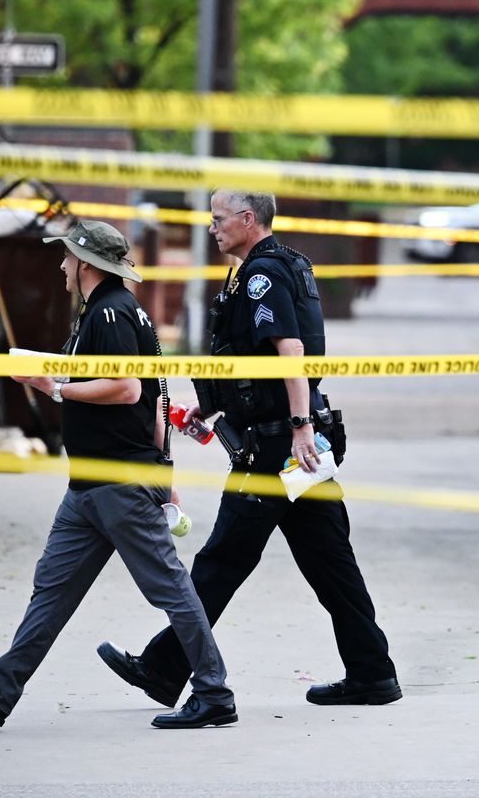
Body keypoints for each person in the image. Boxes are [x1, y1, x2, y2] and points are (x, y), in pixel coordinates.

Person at [96, 190, 401, 708]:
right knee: (331, 564)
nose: (211, 227)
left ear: (247, 219)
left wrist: (300, 425)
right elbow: (250, 364)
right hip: (287, 448)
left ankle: (164, 668)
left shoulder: (264, 275)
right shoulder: (273, 268)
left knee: (221, 562)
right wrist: (214, 410)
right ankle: (372, 673)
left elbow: (290, 352)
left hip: (280, 451)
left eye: (218, 219)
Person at [0, 221, 236, 729]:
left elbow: (127, 390)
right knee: (51, 587)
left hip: (119, 484)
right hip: (93, 486)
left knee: (170, 590)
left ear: (87, 264)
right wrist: (166, 473)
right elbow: (158, 397)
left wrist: (54, 388)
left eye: (67, 257)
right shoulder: (109, 311)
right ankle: (1, 688)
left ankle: (214, 693)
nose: (61, 265)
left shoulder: (113, 313)